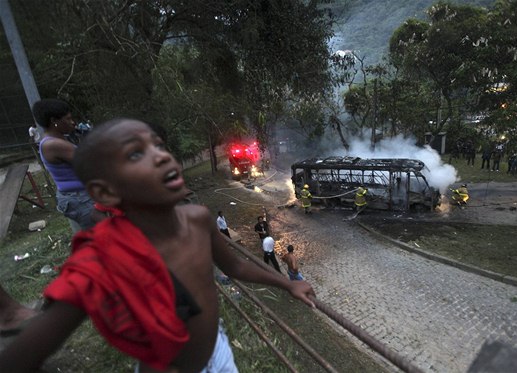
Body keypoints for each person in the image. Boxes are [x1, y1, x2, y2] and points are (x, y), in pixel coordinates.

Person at [0, 118, 315, 372]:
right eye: (136, 154)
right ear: (105, 192)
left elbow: (235, 266)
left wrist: (288, 285)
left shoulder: (198, 219)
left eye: (159, 145)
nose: (162, 155)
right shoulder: (102, 260)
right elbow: (24, 353)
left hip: (218, 353)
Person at [32, 98, 95, 232]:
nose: (73, 122)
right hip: (80, 198)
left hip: (79, 195)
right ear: (54, 121)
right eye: (68, 119)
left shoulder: (61, 138)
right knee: (106, 237)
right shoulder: (53, 144)